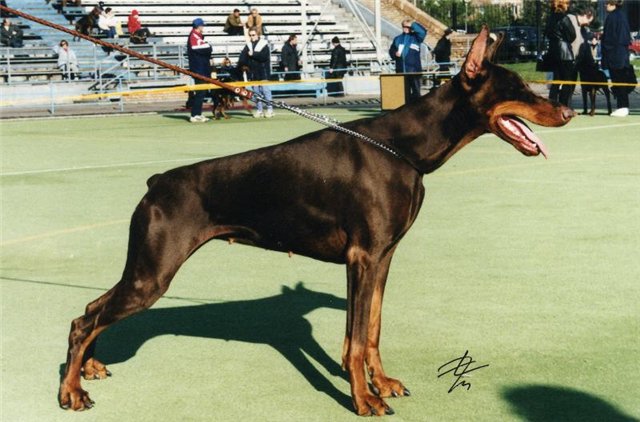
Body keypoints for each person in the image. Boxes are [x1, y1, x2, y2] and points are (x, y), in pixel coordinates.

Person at [550, 5, 594, 107]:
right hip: (565, 57)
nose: (588, 23)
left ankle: (562, 106)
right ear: (586, 14)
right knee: (564, 84)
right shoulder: (571, 20)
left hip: (567, 57)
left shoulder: (579, 25)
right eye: (589, 20)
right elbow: (574, 42)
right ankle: (561, 107)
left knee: (564, 84)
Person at [602, 0, 632, 117]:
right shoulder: (621, 16)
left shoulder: (613, 17)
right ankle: (622, 106)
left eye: (606, 3)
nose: (605, 5)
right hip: (620, 54)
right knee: (620, 81)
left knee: (619, 81)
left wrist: (608, 51)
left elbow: (611, 38)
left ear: (612, 4)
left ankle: (622, 107)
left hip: (615, 54)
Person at [389, 19, 427, 102]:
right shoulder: (397, 39)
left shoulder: (416, 38)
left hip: (414, 70)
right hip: (401, 70)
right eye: (404, 27)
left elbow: (423, 32)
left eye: (408, 27)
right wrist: (395, 53)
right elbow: (391, 50)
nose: (406, 28)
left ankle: (416, 110)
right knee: (403, 94)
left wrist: (413, 24)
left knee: (416, 93)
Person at [239, 27, 274, 118]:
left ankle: (270, 109)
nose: (252, 37)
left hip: (263, 72)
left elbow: (264, 57)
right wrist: (243, 64)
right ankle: (259, 110)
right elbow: (242, 57)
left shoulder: (264, 44)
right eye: (250, 35)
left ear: (258, 34)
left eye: (253, 35)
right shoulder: (248, 45)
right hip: (253, 73)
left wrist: (253, 54)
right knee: (256, 92)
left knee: (265, 91)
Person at [187, 18, 212, 123]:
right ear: (199, 26)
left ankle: (198, 113)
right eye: (202, 26)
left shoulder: (196, 36)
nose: (203, 27)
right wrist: (209, 47)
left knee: (202, 92)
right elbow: (207, 48)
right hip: (199, 69)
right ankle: (195, 114)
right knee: (200, 92)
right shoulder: (194, 37)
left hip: (201, 68)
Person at [545, 0, 570, 102]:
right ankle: (564, 104)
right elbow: (572, 34)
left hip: (553, 51)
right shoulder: (564, 18)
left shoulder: (550, 18)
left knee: (556, 80)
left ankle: (552, 103)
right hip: (564, 52)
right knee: (567, 81)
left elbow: (547, 33)